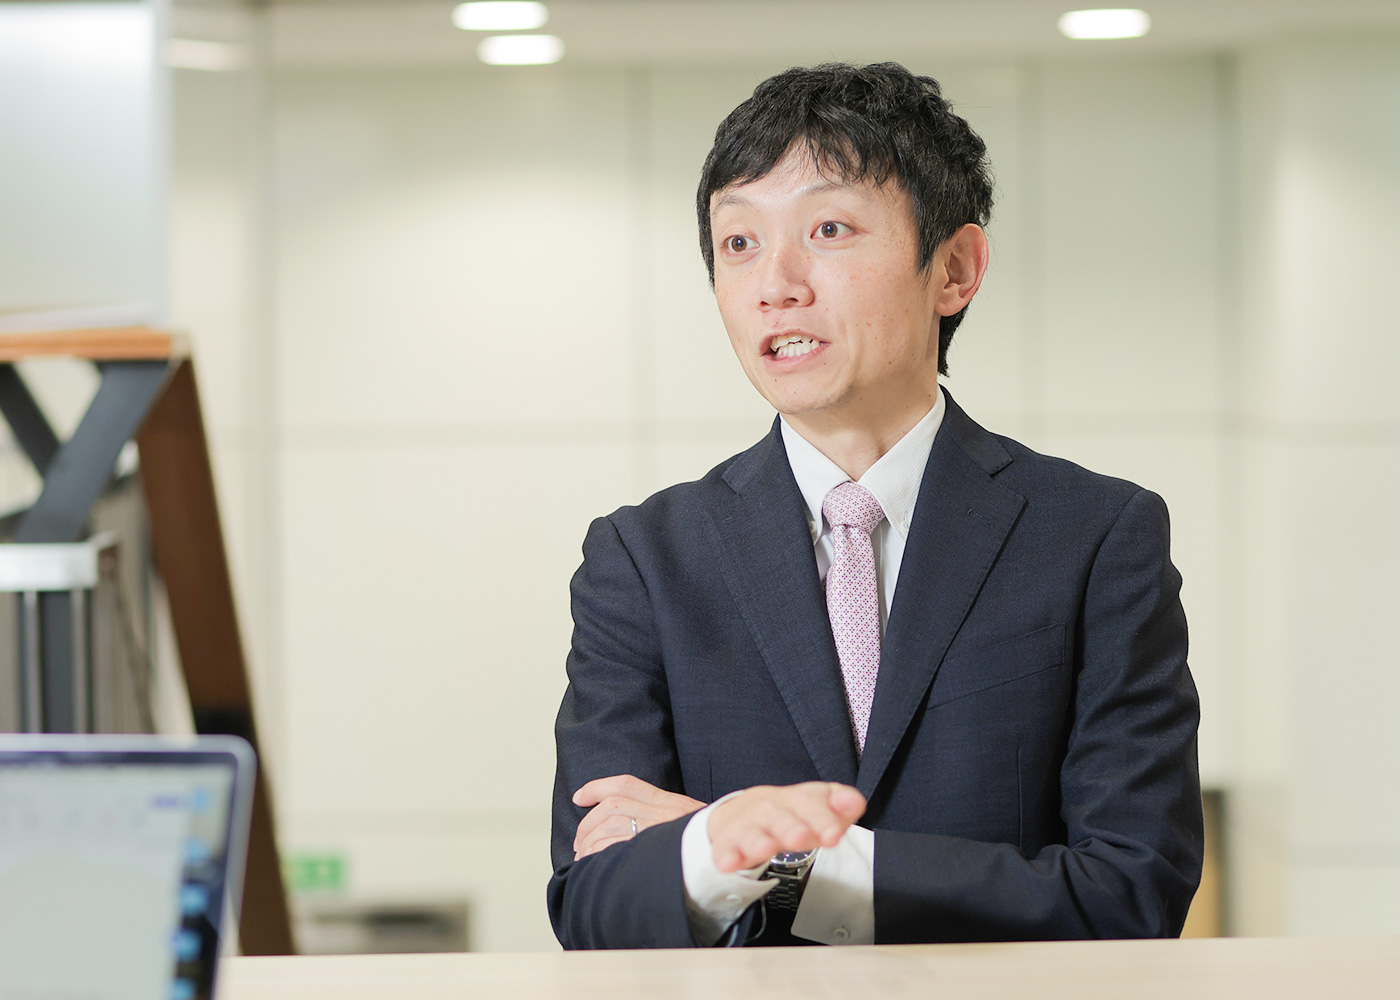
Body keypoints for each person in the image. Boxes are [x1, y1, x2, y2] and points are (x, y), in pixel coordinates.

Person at [548, 62, 1202, 949]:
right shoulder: (644, 559)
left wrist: (776, 867)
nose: (776, 283)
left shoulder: (1094, 538)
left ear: (955, 269)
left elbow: (1131, 892)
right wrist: (710, 848)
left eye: (829, 229)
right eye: (739, 242)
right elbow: (593, 904)